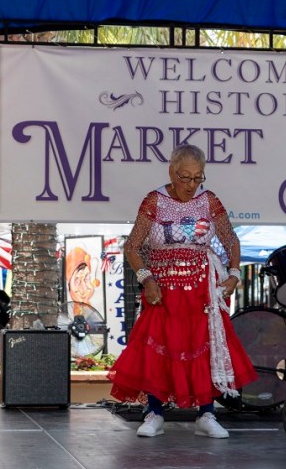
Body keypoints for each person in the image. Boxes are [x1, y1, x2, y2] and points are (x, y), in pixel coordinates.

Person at [108, 144, 257, 439]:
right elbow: (132, 246)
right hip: (161, 290)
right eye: (185, 177)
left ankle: (207, 414)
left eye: (197, 178)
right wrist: (147, 279)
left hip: (201, 289)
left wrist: (235, 273)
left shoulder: (209, 201)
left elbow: (230, 239)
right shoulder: (155, 201)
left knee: (204, 345)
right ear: (171, 172)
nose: (191, 185)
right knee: (156, 347)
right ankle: (154, 413)